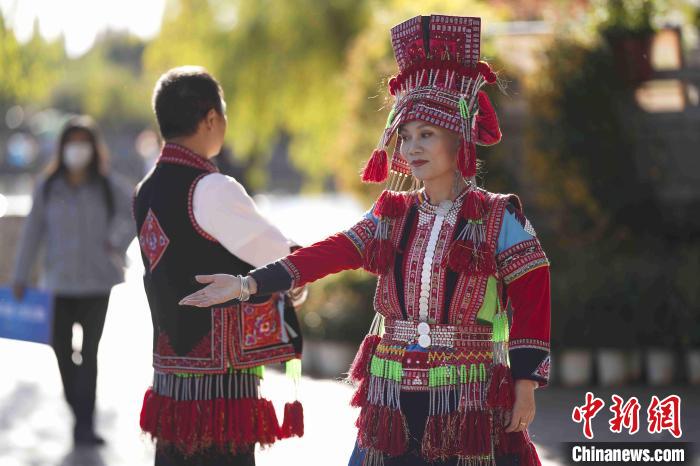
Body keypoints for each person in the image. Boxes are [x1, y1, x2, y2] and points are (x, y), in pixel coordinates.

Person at [180, 15, 551, 466]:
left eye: (426, 135)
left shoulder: (498, 216)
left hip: (468, 398)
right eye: (406, 136)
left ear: (461, 139)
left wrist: (525, 386)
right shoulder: (391, 214)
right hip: (392, 393)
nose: (411, 147)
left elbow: (533, 294)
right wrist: (247, 285)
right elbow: (329, 253)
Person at [134, 66, 305, 466]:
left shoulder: (145, 191)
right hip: (220, 385)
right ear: (211, 118)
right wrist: (303, 273)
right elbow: (279, 256)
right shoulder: (211, 188)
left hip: (173, 373)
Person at [11, 115, 134, 445]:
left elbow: (136, 211)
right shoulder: (48, 186)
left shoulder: (108, 185)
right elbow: (32, 233)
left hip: (97, 283)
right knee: (62, 351)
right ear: (62, 146)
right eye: (72, 142)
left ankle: (85, 425)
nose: (77, 149)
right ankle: (78, 408)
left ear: (94, 148)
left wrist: (116, 242)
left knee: (90, 354)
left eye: (84, 142)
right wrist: (19, 277)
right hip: (59, 284)